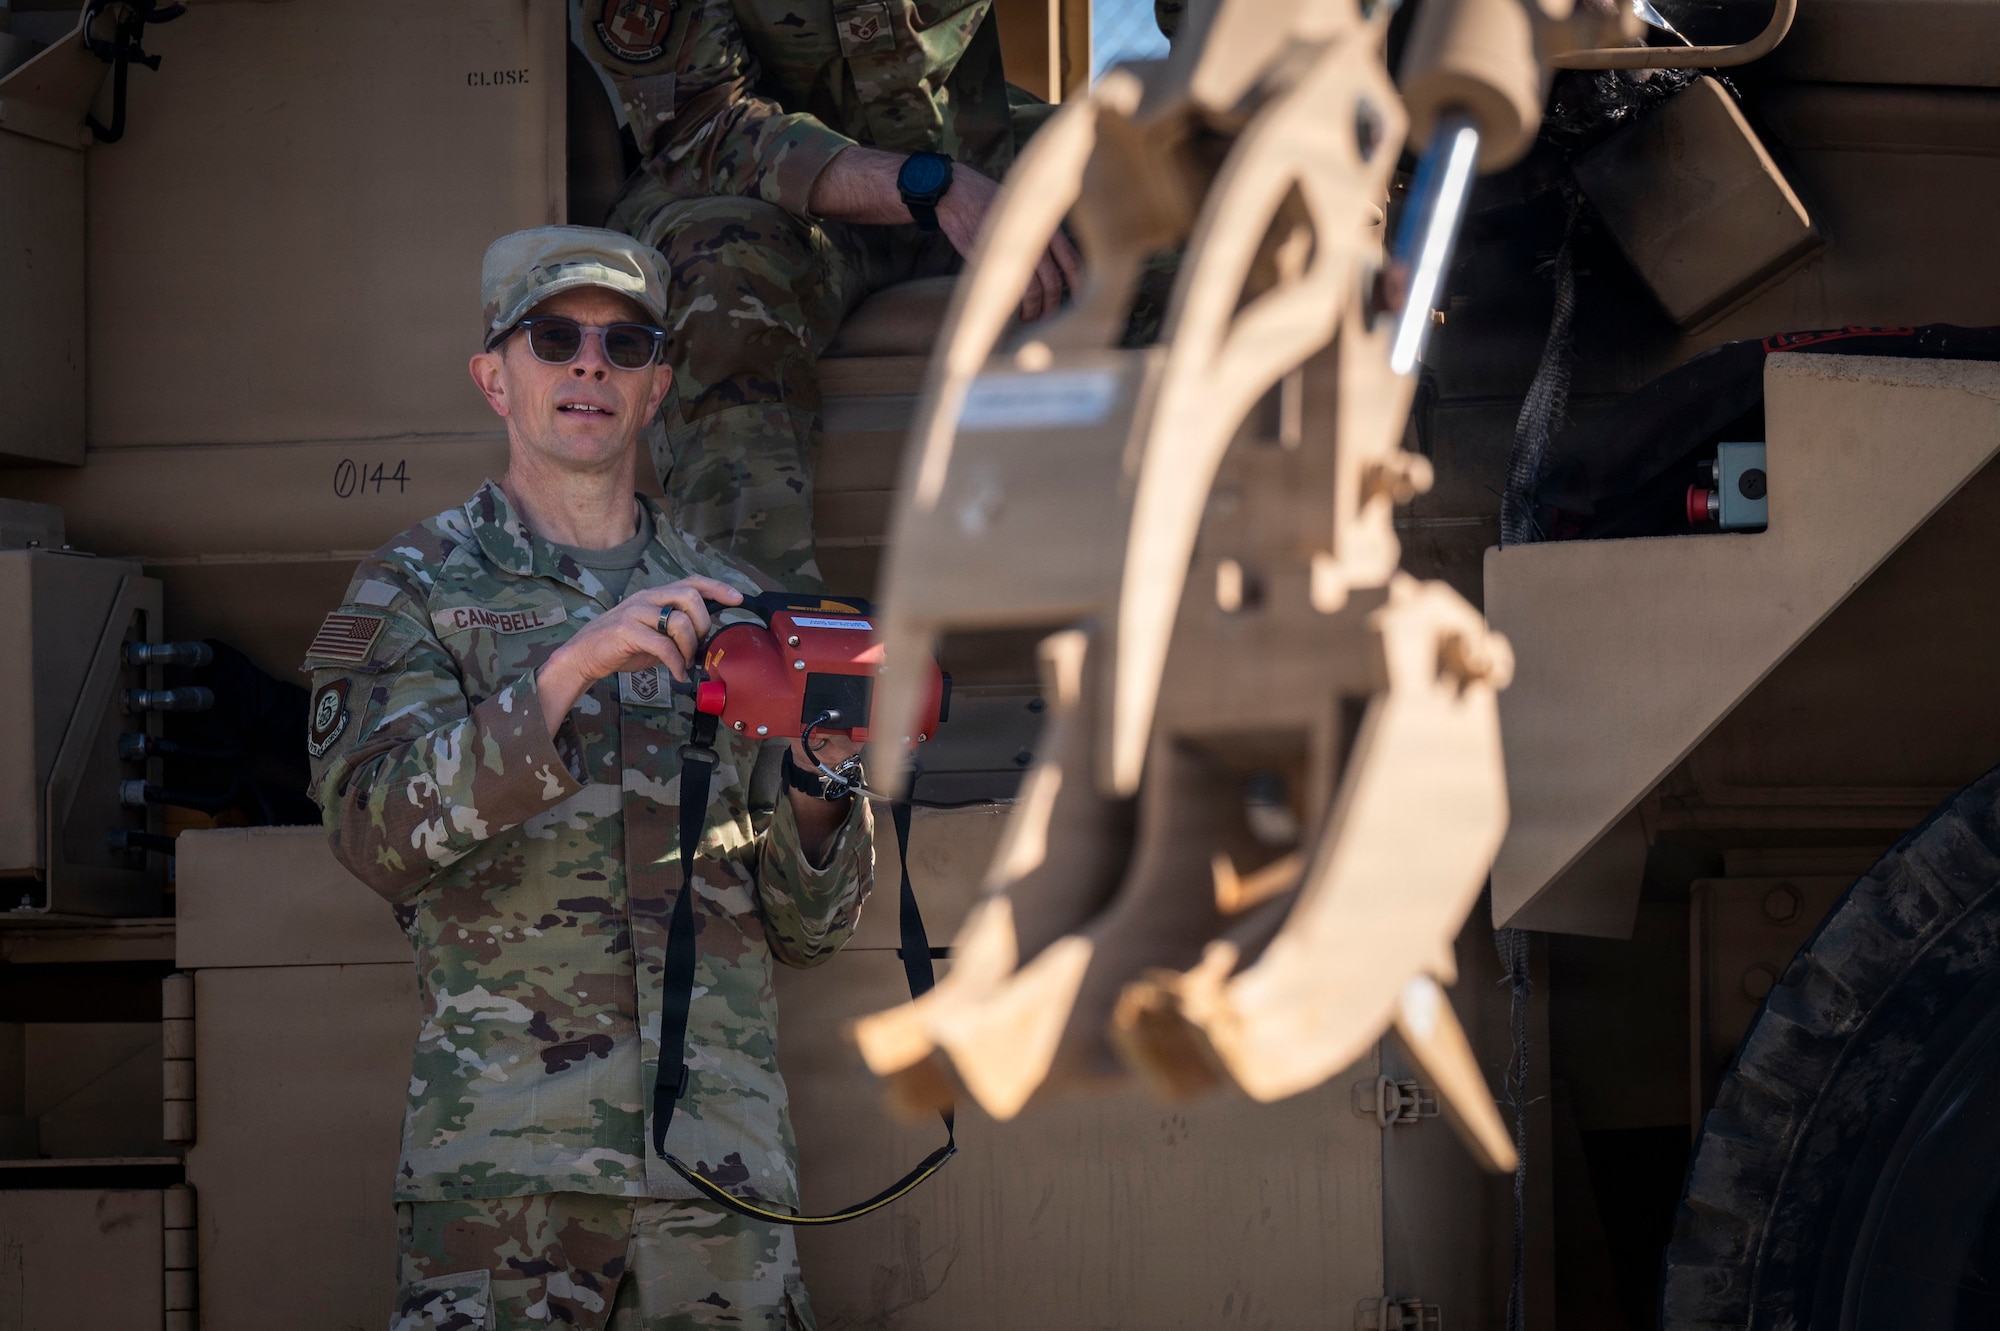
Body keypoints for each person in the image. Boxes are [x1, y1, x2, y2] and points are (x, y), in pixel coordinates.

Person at [305, 225, 874, 1330]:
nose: (588, 366)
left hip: (718, 1177)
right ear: (494, 377)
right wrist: (566, 670)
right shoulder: (413, 592)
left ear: (658, 387)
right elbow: (376, 834)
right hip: (509, 1180)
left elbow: (808, 927)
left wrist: (822, 777)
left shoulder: (736, 605)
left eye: (624, 345)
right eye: (554, 336)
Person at [575, 0, 1084, 589]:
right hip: (757, 196)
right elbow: (702, 123)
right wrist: (929, 188)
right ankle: (754, 632)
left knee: (1180, 201)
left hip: (978, 159)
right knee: (718, 273)